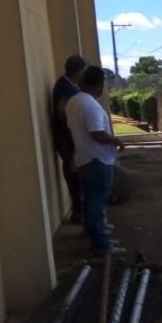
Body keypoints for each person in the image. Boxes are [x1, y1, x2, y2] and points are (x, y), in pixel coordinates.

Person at [65, 65, 125, 255]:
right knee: (96, 203)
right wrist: (115, 140)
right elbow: (96, 133)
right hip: (96, 160)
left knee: (91, 201)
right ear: (98, 83)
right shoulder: (89, 104)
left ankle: (96, 237)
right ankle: (103, 246)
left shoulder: (73, 101)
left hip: (85, 158)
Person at [52, 55, 86, 223]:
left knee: (75, 170)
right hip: (66, 137)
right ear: (79, 71)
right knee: (73, 171)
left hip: (68, 136)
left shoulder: (67, 85)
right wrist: (72, 127)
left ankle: (79, 209)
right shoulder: (64, 86)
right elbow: (61, 110)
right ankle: (78, 210)